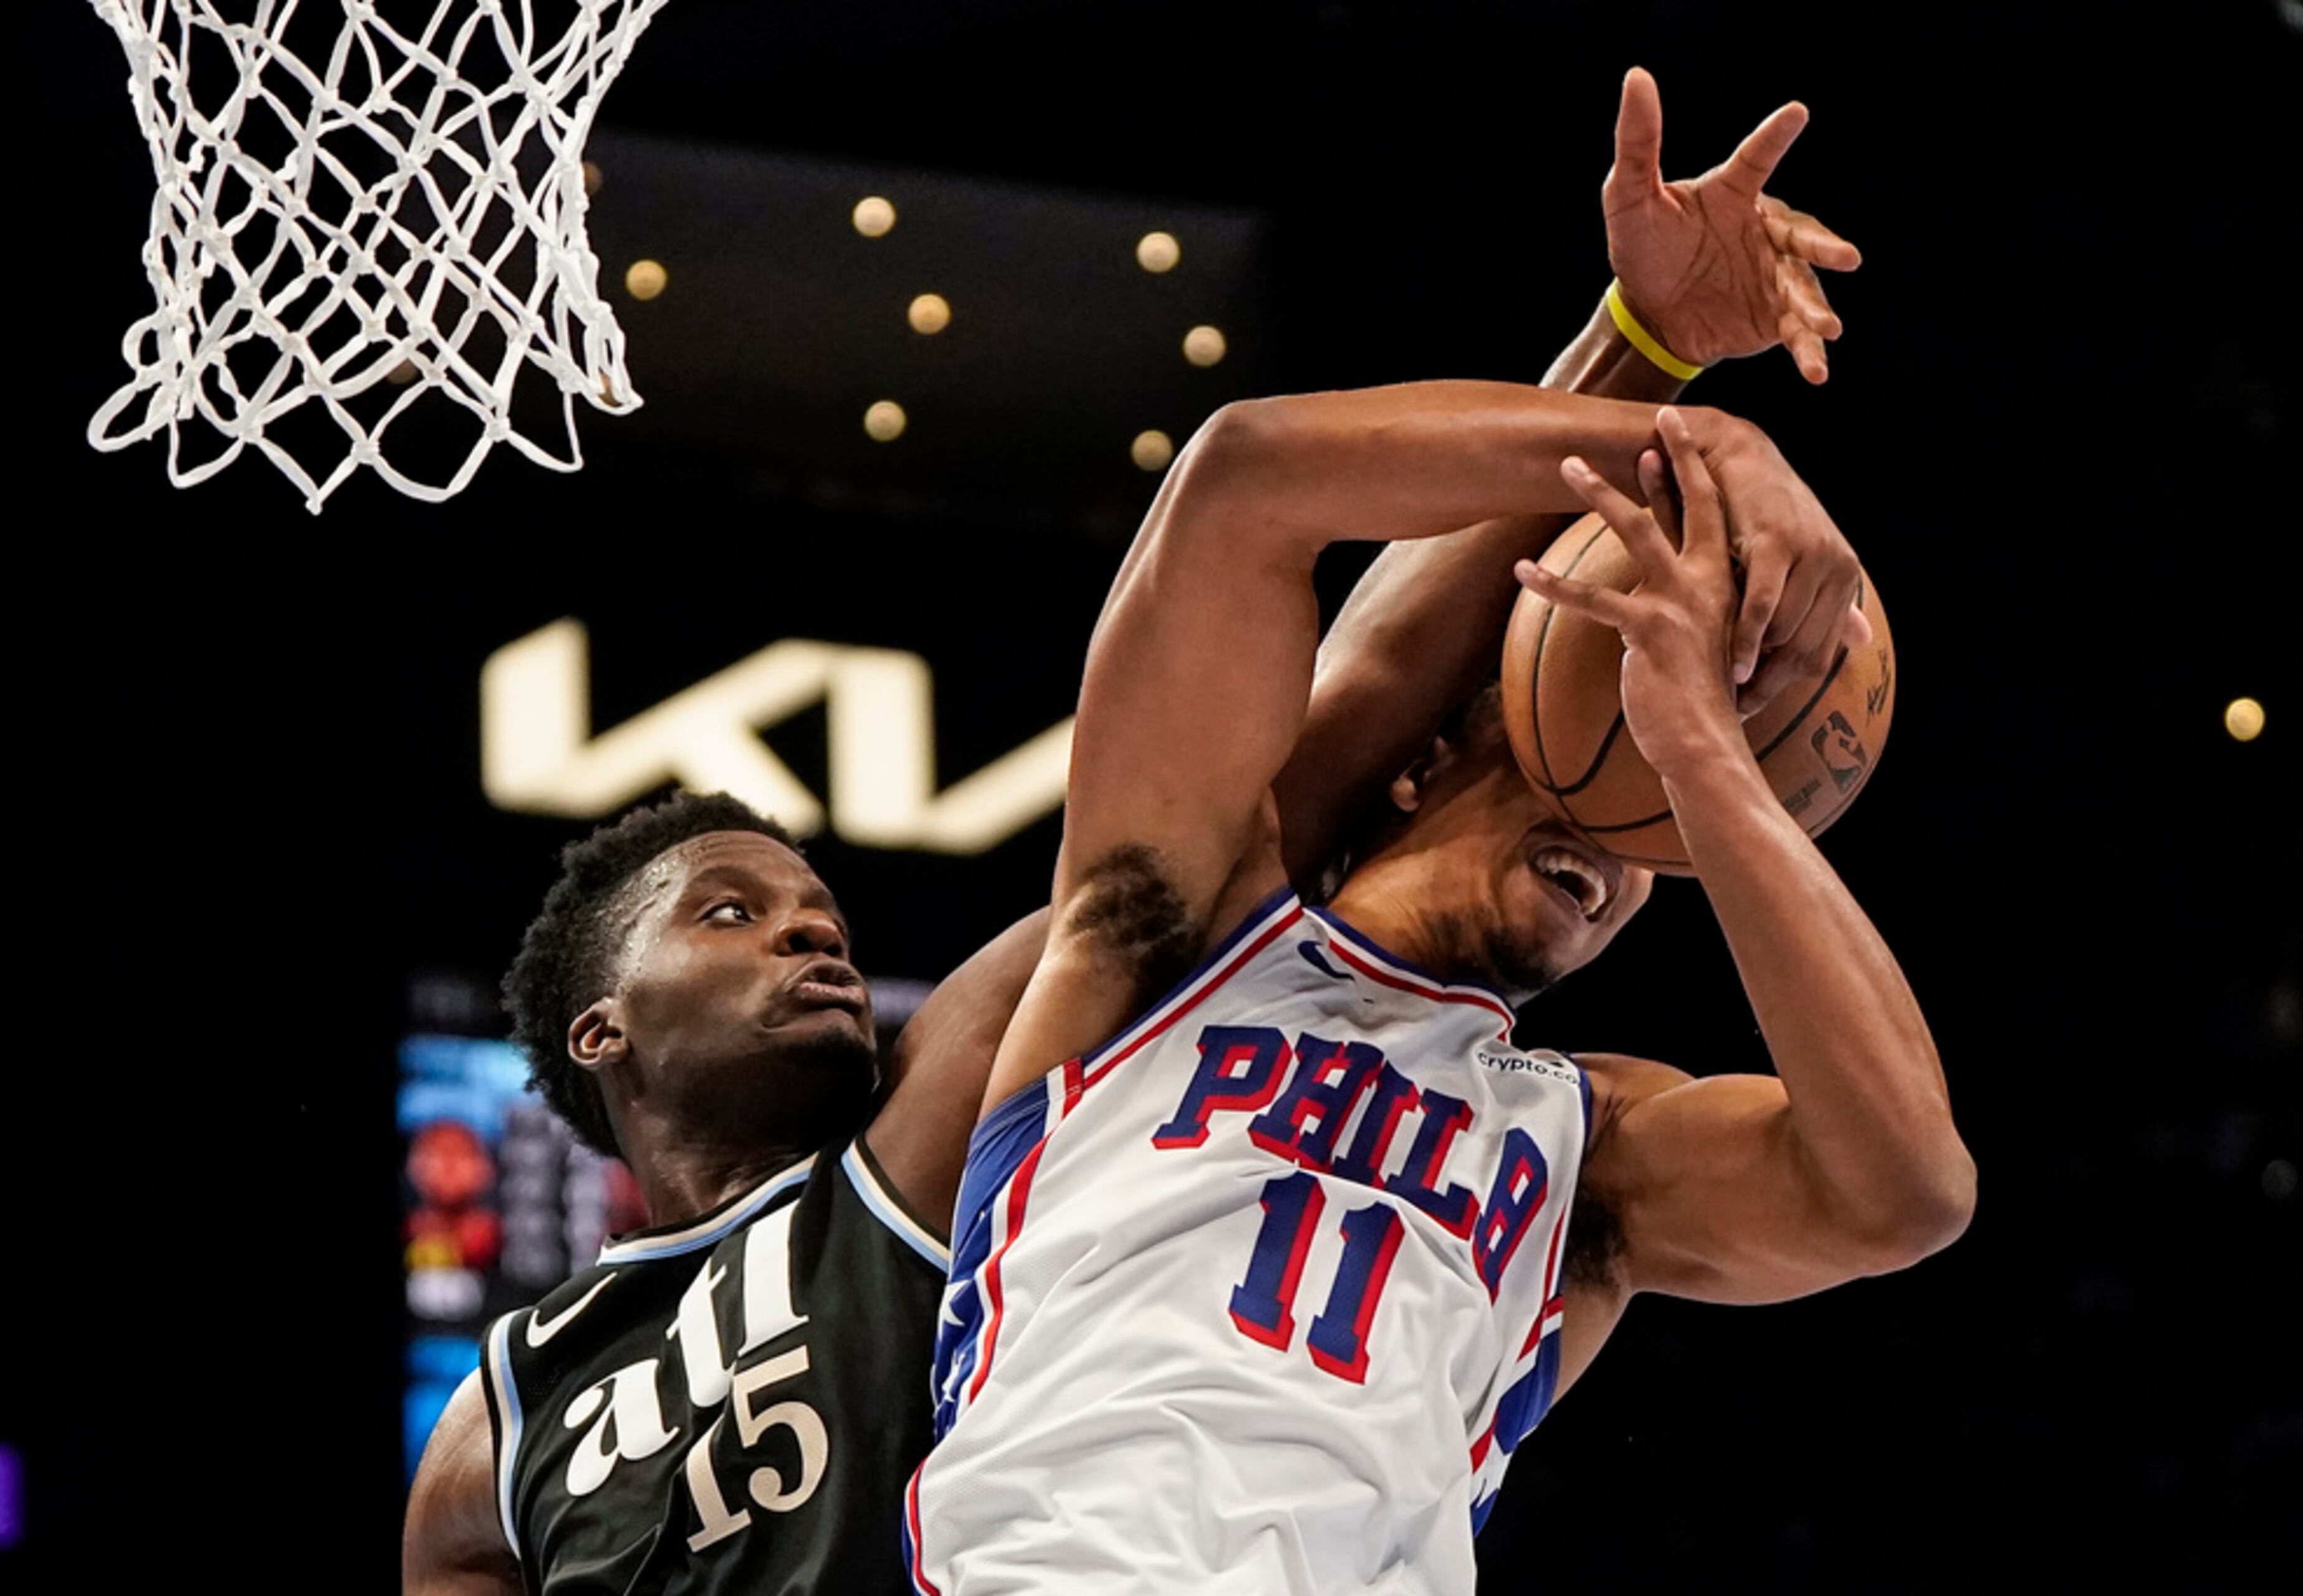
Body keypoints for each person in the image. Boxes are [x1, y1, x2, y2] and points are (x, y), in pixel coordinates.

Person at [400, 67, 1860, 1595]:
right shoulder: (501, 1420)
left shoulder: (950, 1101)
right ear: (603, 1029)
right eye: (730, 913)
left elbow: (1351, 707)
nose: (812, 929)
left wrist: (1641, 374)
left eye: (812, 907)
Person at [904, 89, 1971, 1596]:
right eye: (1576, 784)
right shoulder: (1170, 942)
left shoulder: (1590, 1152)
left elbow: (1906, 1195)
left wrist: (1705, 764)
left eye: (1655, 846)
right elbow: (1244, 482)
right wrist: (1679, 421)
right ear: (1421, 770)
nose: (1620, 851)